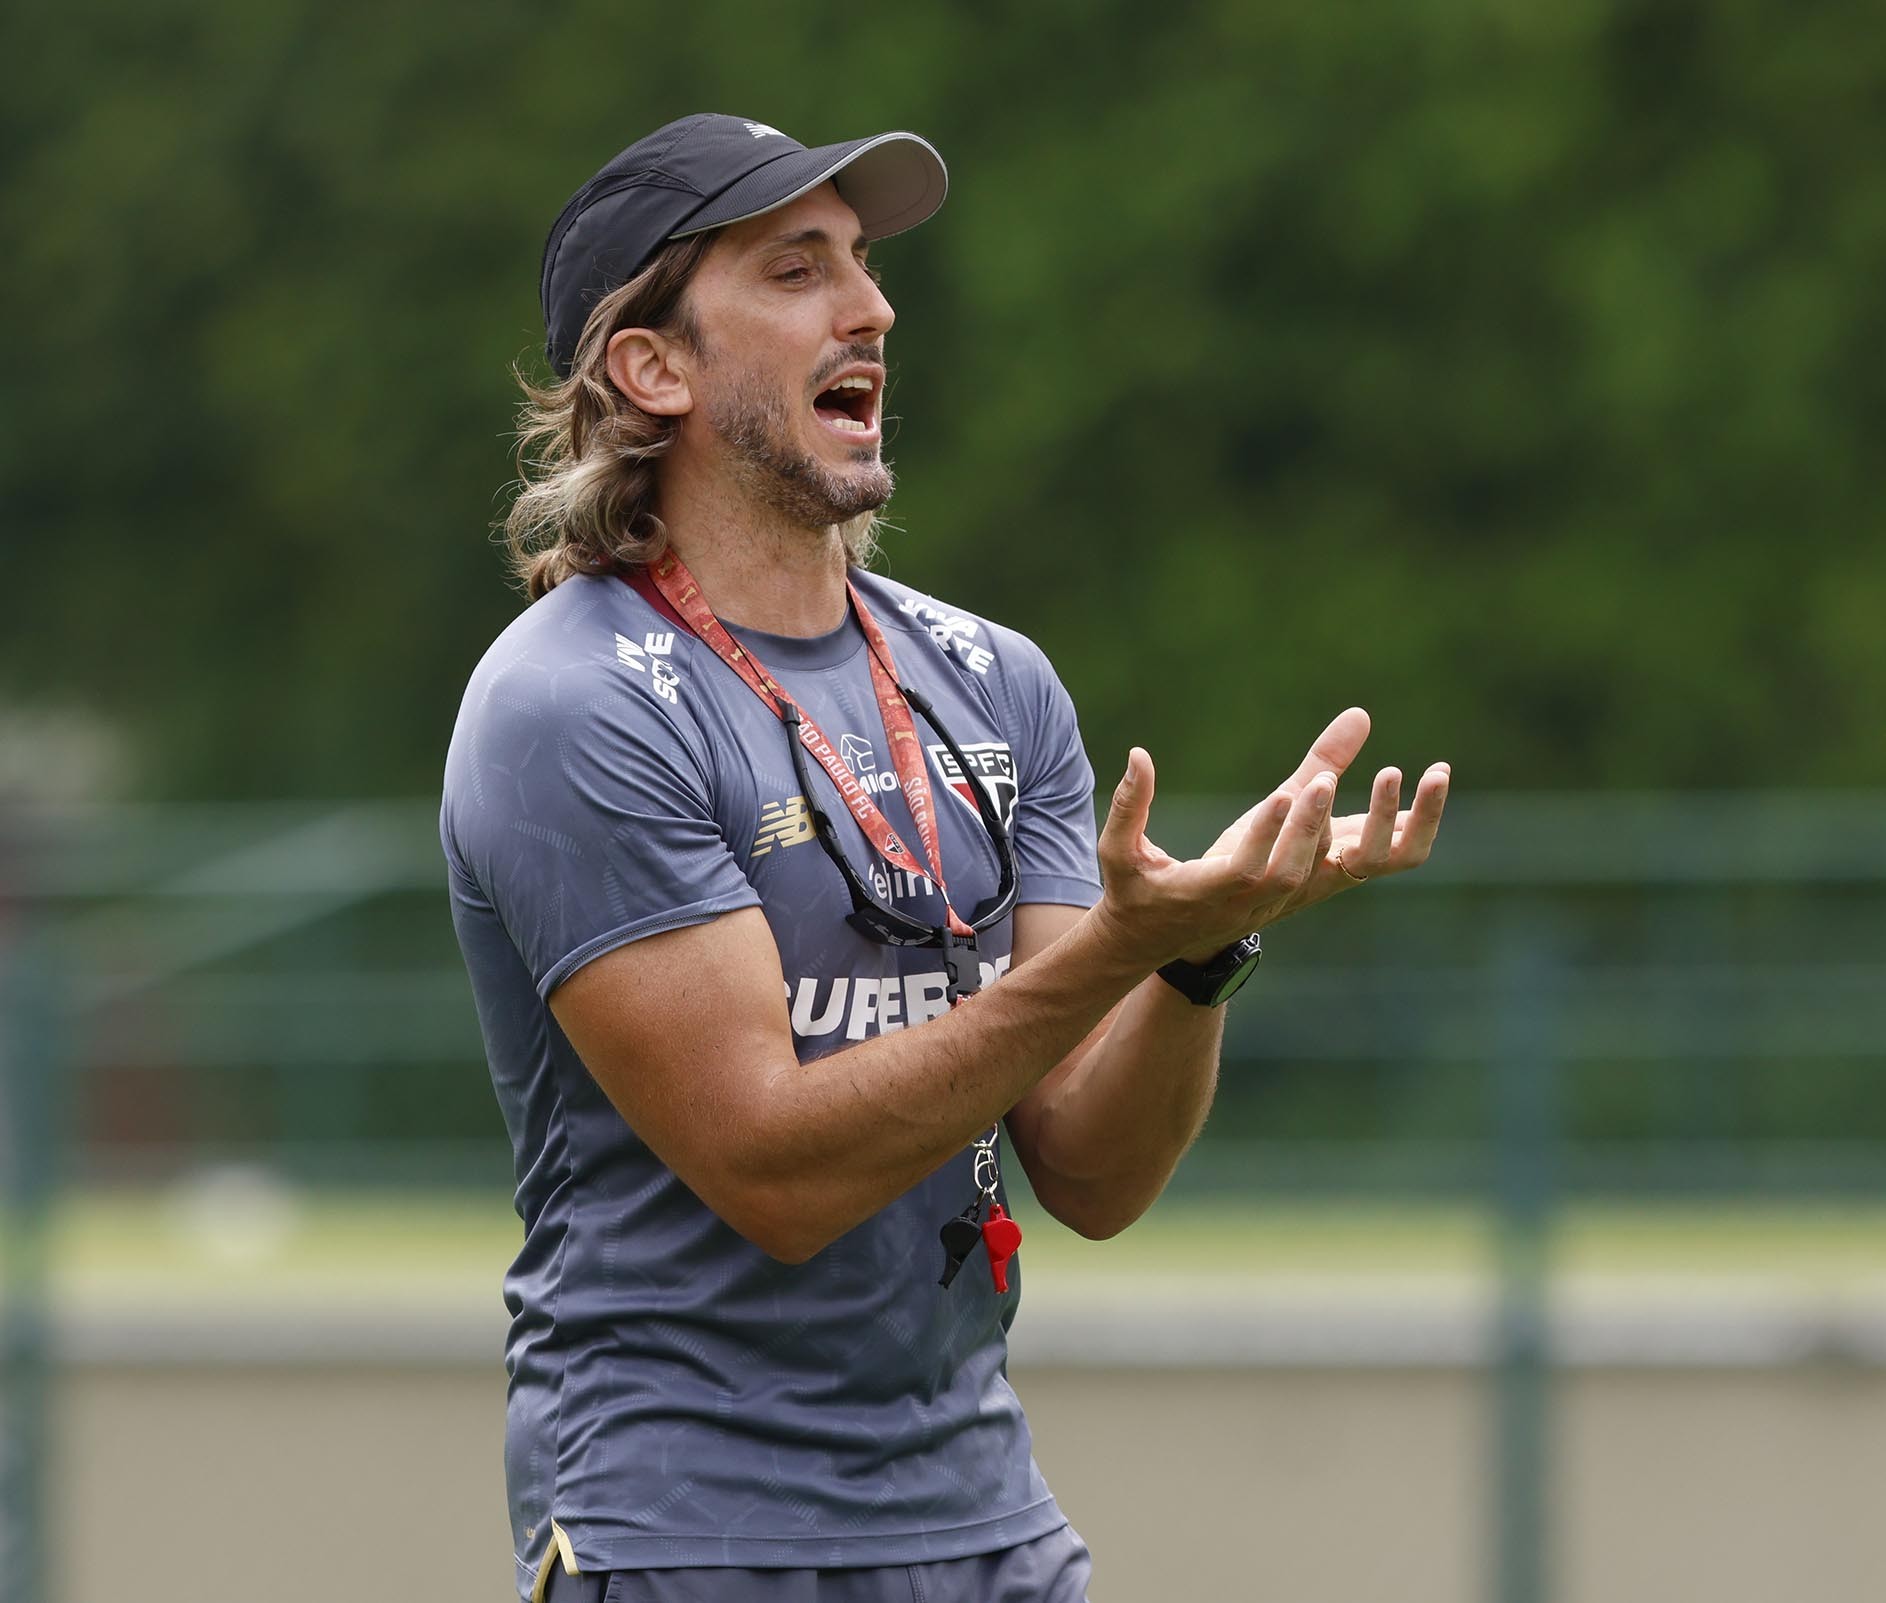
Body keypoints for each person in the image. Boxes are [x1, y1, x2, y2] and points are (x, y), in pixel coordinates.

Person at [441, 112, 1451, 1603]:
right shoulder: (569, 704)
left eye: (861, 264)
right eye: (796, 270)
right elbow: (774, 1171)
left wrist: (1196, 953)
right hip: (692, 1535)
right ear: (653, 370)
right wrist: (1119, 945)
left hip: (986, 1528)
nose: (872, 308)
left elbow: (1092, 1174)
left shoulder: (990, 679)